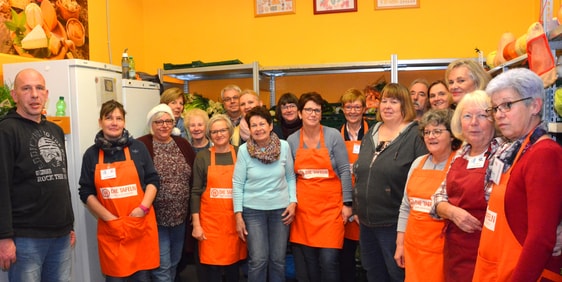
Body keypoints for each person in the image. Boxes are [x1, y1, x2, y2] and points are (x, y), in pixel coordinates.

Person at [473, 68, 562, 281]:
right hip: (496, 268)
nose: (499, 114)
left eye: (507, 105)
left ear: (535, 105)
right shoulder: (513, 150)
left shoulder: (543, 154)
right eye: (496, 108)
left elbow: (540, 239)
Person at [0, 68, 75, 281]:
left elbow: (62, 178)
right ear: (14, 95)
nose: (34, 94)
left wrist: (69, 224)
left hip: (60, 235)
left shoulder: (55, 130)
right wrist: (4, 237)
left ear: (47, 93)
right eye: (26, 88)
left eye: (39, 88)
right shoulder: (6, 131)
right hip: (26, 238)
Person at [353, 83, 428, 282]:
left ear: (405, 106)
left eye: (394, 102)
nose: (387, 106)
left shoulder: (415, 136)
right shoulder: (372, 133)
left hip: (395, 224)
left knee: (397, 273)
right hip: (366, 222)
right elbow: (361, 172)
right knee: (373, 272)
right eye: (384, 101)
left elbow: (422, 180)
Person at [78, 100, 160, 281]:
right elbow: (86, 192)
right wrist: (109, 218)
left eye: (119, 118)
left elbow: (153, 180)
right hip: (112, 231)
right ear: (100, 122)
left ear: (124, 122)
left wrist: (143, 209)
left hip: (140, 226)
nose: (114, 122)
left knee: (142, 277)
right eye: (109, 118)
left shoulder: (138, 148)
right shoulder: (91, 155)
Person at [430, 90, 498, 282]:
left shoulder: (502, 154)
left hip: (488, 252)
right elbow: (437, 198)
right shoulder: (461, 154)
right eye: (467, 116)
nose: (474, 122)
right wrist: (451, 212)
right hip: (456, 252)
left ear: (494, 119)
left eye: (482, 115)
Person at [287, 92, 353, 282]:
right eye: (308, 109)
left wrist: (347, 203)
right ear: (300, 113)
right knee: (310, 264)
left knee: (329, 260)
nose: (313, 114)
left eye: (317, 110)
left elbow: (344, 171)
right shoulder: (292, 140)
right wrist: (292, 202)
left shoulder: (332, 136)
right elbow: (291, 177)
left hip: (331, 210)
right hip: (304, 212)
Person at [394, 109, 461, 282]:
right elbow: (405, 207)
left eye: (437, 131)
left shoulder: (458, 164)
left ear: (452, 135)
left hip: (443, 251)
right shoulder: (418, 162)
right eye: (427, 132)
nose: (431, 136)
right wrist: (400, 244)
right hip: (413, 248)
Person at [233, 106, 297, 282]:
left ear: (270, 126)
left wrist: (293, 202)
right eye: (254, 125)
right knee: (258, 260)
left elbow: (291, 177)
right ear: (249, 129)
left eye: (262, 124)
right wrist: (238, 215)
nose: (258, 128)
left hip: (281, 211)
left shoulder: (284, 147)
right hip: (253, 211)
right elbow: (237, 184)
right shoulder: (244, 151)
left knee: (278, 260)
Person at [137, 104, 196, 282]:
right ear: (151, 124)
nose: (164, 125)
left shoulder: (183, 144)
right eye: (159, 122)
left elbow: (193, 178)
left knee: (174, 261)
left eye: (168, 121)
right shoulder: (142, 145)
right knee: (162, 265)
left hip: (180, 217)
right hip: (155, 219)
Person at [191, 114, 246, 282]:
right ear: (209, 135)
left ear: (229, 131)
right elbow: (195, 192)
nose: (219, 134)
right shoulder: (202, 157)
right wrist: (196, 225)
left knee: (233, 269)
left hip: (235, 222)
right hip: (210, 225)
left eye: (222, 130)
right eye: (214, 131)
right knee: (211, 271)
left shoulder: (241, 153)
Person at [338, 88, 368, 282]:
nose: (353, 111)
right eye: (348, 107)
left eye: (357, 106)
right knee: (345, 254)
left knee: (368, 254)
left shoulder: (374, 133)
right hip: (343, 200)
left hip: (367, 199)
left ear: (364, 109)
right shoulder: (335, 135)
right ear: (342, 109)